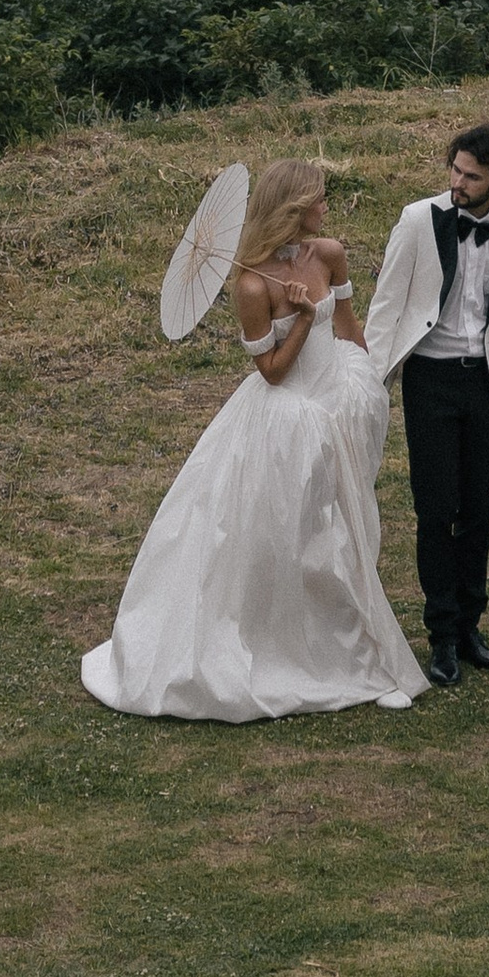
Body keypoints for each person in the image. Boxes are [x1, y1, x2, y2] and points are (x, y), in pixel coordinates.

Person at [81, 156, 426, 724]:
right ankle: (284, 649)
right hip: (285, 420)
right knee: (291, 539)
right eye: (318, 199)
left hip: (337, 406)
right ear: (294, 209)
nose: (325, 207)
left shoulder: (331, 254)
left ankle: (359, 656)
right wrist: (300, 315)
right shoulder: (250, 284)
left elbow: (347, 326)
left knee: (343, 532)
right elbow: (271, 371)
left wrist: (371, 384)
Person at [364, 122, 489, 688]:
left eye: (472, 175)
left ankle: (471, 627)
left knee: (479, 512)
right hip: (431, 380)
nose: (458, 183)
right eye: (455, 170)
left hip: (487, 386)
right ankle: (440, 635)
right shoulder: (419, 219)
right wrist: (369, 384)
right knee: (435, 509)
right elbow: (386, 305)